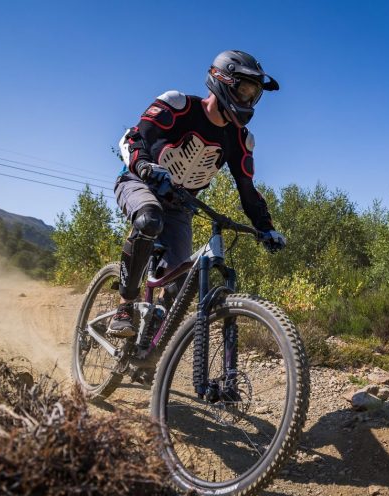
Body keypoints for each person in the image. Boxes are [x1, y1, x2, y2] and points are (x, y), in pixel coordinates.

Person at [108, 50, 286, 337]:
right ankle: (124, 307)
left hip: (179, 205)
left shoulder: (240, 139)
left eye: (254, 95)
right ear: (223, 80)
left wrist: (265, 228)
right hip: (138, 182)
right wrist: (144, 166)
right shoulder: (178, 106)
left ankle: (150, 344)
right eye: (244, 90)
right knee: (149, 219)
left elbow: (247, 188)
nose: (248, 100)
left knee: (181, 282)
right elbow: (133, 137)